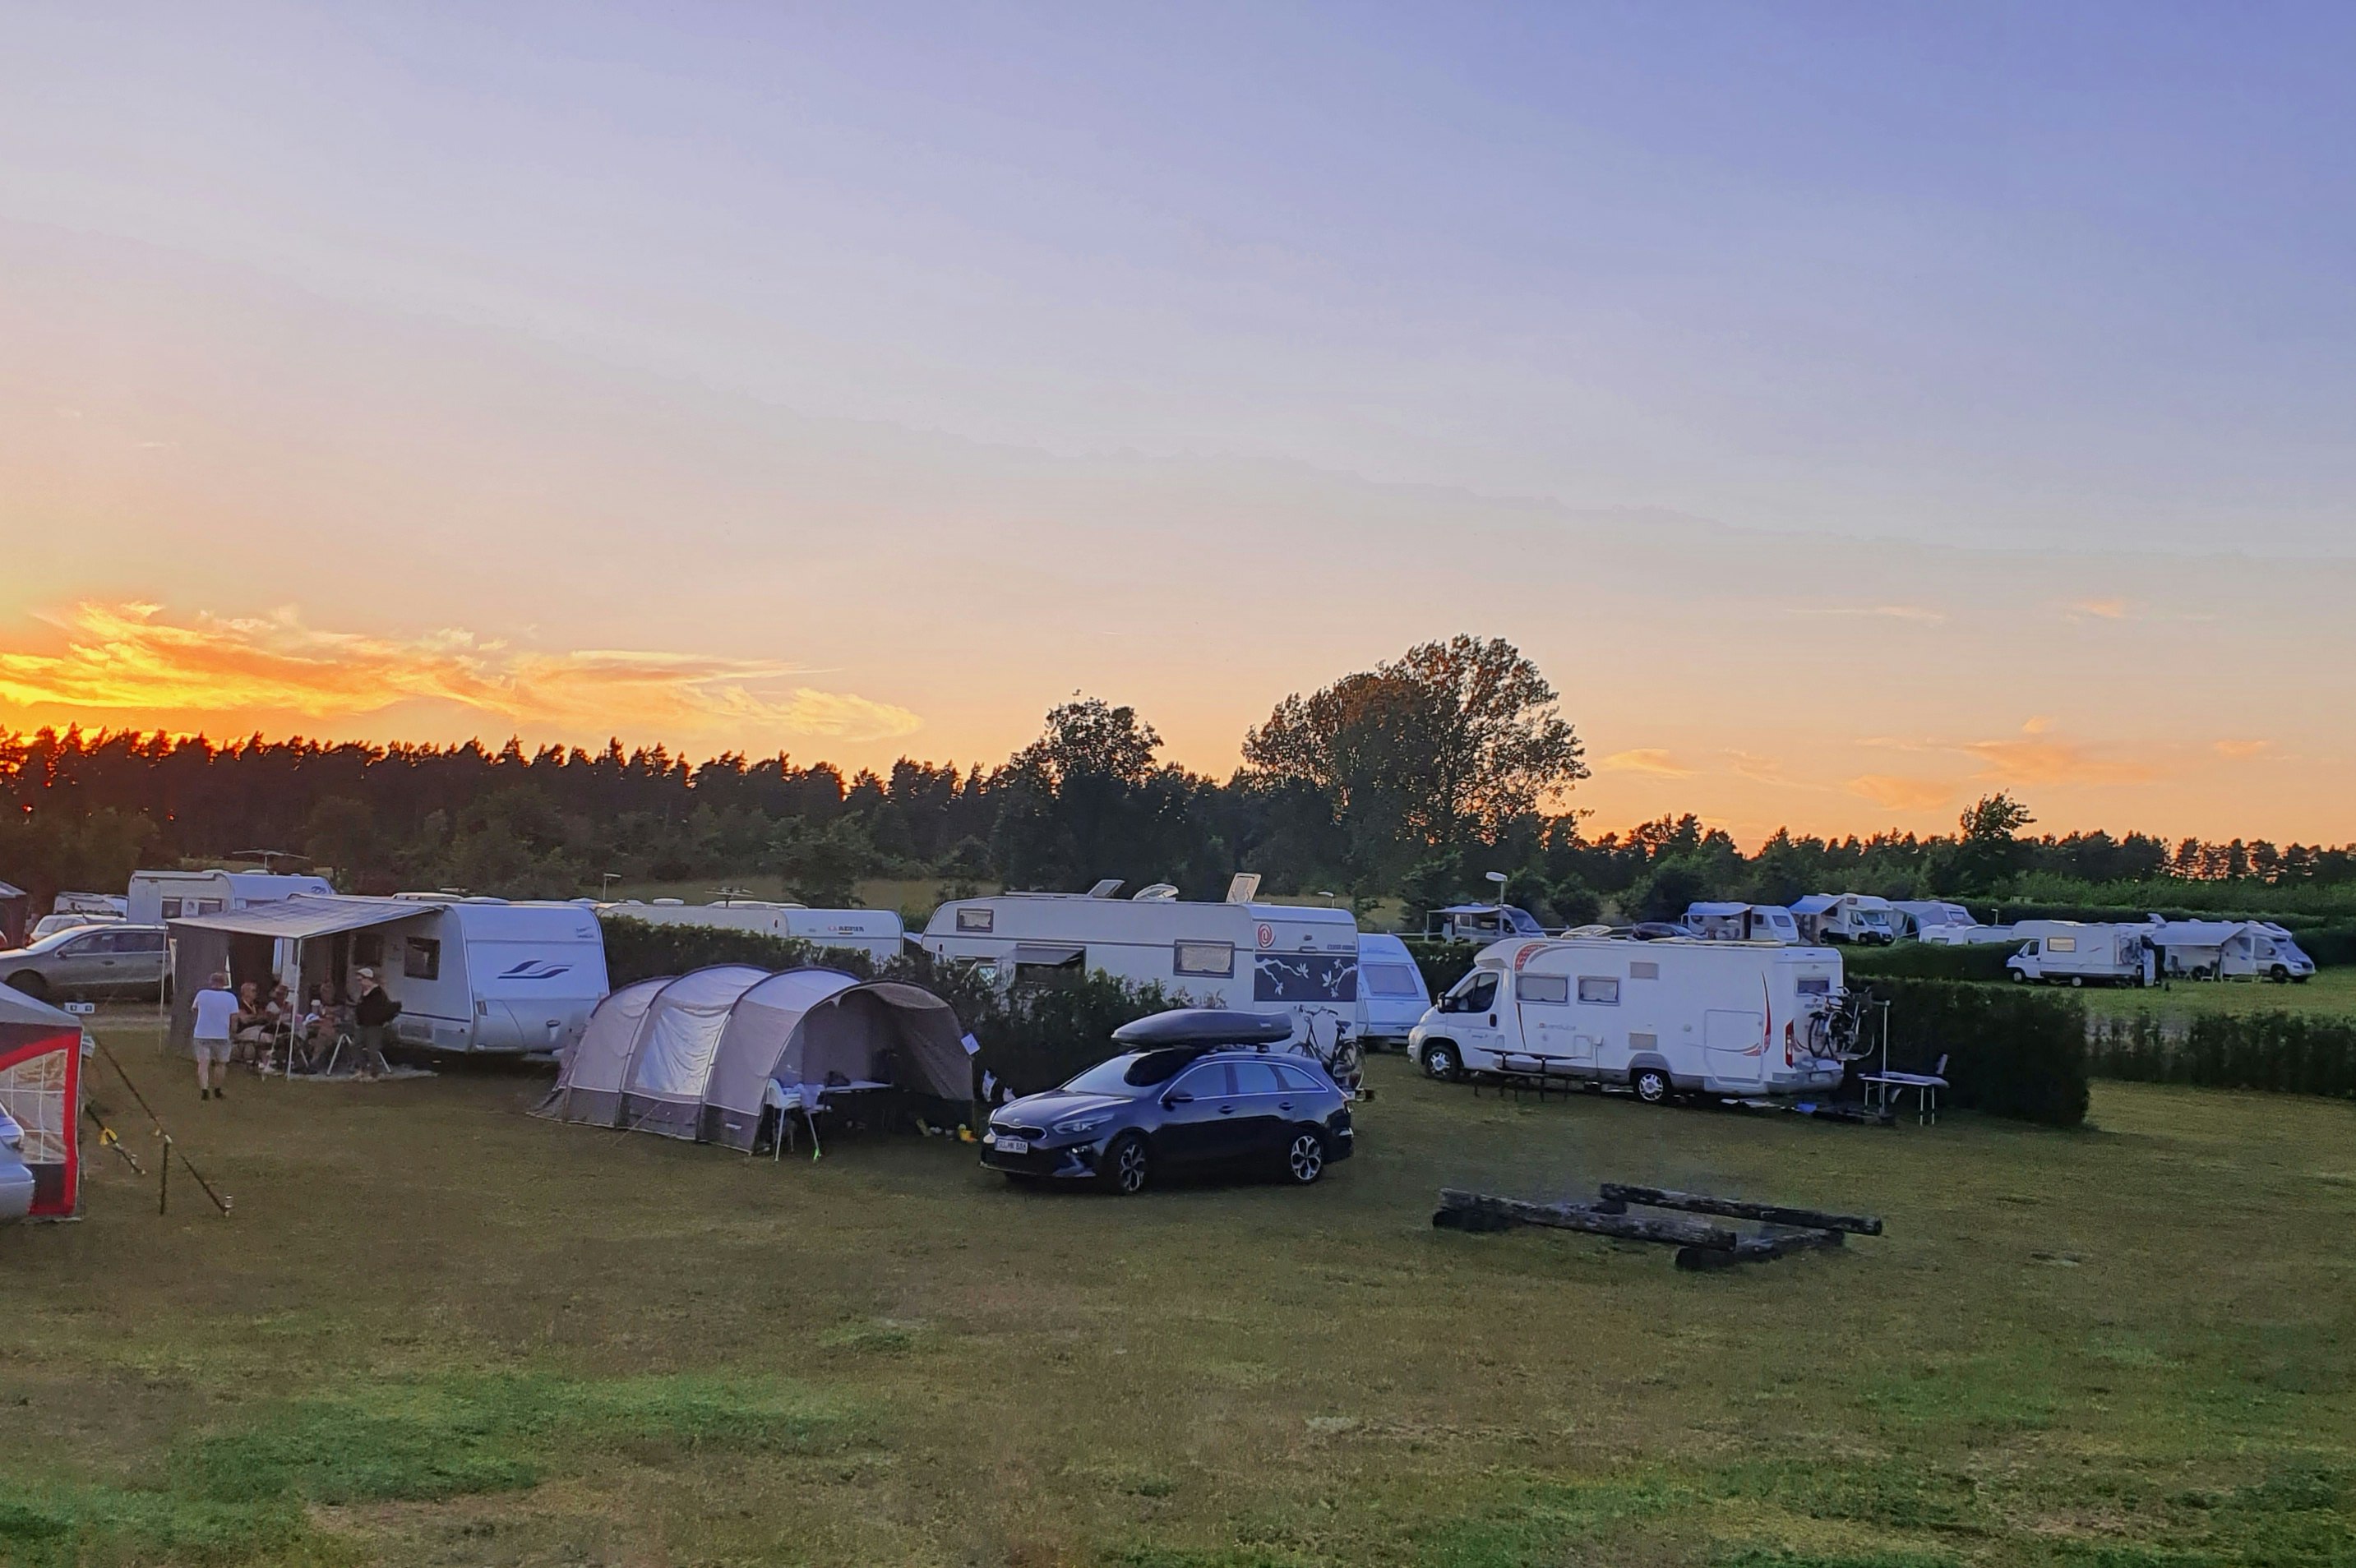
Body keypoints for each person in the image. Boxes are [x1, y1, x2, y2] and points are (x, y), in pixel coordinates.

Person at [190, 971, 237, 1100]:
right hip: (222, 1034)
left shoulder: (202, 994)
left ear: (211, 982)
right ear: (224, 983)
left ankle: (204, 1090)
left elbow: (194, 1009)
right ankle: (217, 1090)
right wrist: (233, 1032)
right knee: (221, 1063)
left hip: (202, 1033)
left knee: (203, 1063)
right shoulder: (231, 998)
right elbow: (234, 1017)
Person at [351, 966, 400, 1078]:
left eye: (361, 980)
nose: (360, 983)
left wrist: (381, 1021)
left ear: (368, 979)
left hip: (374, 1026)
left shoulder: (378, 993)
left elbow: (383, 1010)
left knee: (372, 1049)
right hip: (362, 1024)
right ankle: (362, 1068)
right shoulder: (363, 993)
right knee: (355, 1045)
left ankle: (374, 1074)